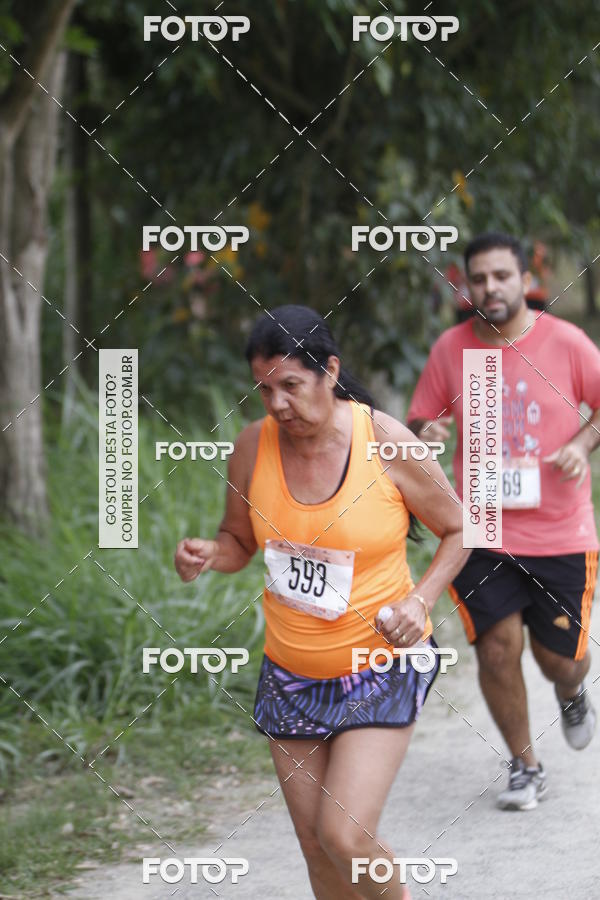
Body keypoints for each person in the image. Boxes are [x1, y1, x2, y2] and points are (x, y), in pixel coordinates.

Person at [175, 305, 468, 899]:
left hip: (377, 663)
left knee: (346, 835)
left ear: (329, 372)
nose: (278, 404)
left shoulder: (384, 440)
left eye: (290, 385)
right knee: (314, 845)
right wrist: (210, 552)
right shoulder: (253, 448)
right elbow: (240, 541)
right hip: (291, 673)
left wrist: (421, 601)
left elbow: (461, 528)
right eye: (264, 389)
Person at [407, 232, 600, 811]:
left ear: (524, 280)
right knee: (497, 647)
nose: (490, 287)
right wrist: (427, 433)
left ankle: (571, 691)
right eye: (479, 278)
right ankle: (524, 765)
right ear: (468, 283)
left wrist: (583, 443)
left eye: (501, 276)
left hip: (560, 529)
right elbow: (420, 419)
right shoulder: (452, 349)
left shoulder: (566, 342)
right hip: (482, 527)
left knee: (558, 659)